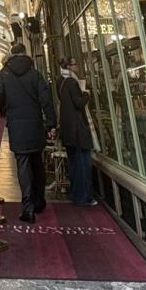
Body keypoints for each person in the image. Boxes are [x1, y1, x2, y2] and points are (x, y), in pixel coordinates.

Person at [0, 43, 56, 222]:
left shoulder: (4, 74)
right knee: (37, 163)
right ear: (25, 54)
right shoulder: (35, 74)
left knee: (23, 165)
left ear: (11, 54)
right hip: (35, 124)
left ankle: (28, 208)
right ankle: (39, 201)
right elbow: (46, 100)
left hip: (17, 126)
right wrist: (51, 123)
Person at [58, 60, 96, 206]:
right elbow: (78, 103)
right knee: (82, 165)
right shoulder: (72, 83)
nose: (78, 67)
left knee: (74, 164)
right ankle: (84, 197)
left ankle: (76, 194)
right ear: (69, 67)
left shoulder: (61, 82)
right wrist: (86, 94)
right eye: (75, 64)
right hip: (78, 130)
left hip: (68, 130)